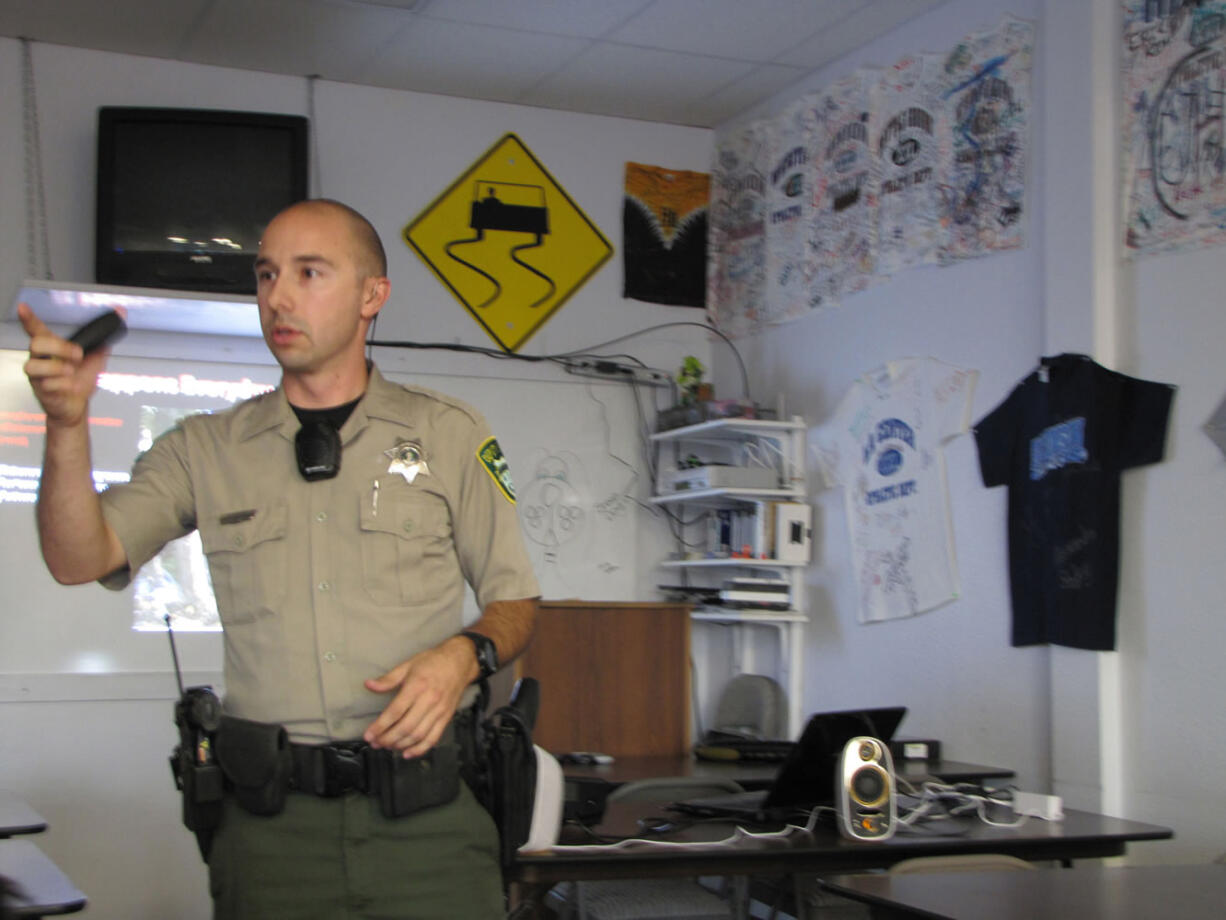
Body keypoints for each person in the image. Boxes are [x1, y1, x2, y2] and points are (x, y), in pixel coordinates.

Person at [19, 198, 541, 919]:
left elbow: (517, 602)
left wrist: (463, 657)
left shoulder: (450, 434)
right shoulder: (204, 447)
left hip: (429, 829)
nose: (278, 297)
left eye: (309, 272)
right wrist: (68, 427)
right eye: (266, 275)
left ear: (371, 296)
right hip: (271, 835)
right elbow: (78, 557)